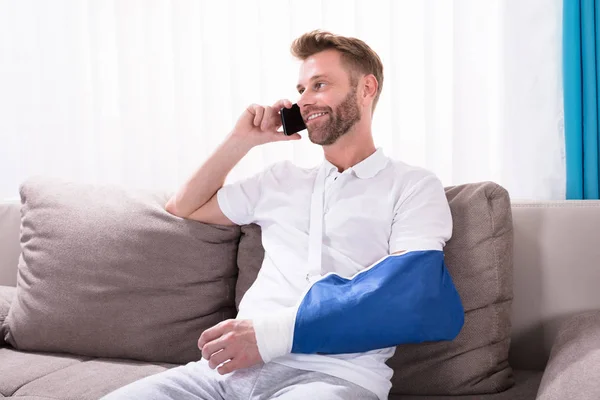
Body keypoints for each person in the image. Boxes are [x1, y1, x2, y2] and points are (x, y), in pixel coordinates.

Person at [101, 30, 464, 400]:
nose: (305, 100)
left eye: (319, 85)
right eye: (301, 89)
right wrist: (241, 140)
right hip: (221, 376)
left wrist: (268, 336)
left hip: (331, 378)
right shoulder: (280, 180)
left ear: (366, 89)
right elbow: (185, 207)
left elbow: (413, 292)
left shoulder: (412, 186)